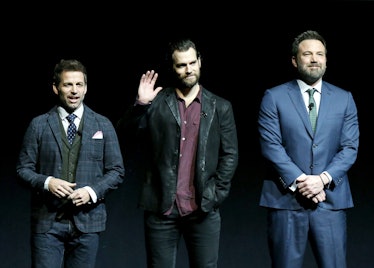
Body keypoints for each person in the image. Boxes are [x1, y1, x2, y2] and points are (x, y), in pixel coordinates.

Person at [117, 38, 239, 268]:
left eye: (192, 62)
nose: (188, 69)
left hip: (202, 209)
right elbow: (125, 136)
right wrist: (140, 105)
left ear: (200, 62)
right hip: (162, 207)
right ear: (173, 68)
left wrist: (216, 194)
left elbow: (230, 154)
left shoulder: (220, 106)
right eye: (182, 65)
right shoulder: (157, 102)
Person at [257, 30, 359, 268]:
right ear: (295, 60)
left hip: (330, 202)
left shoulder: (345, 99)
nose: (314, 59)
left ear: (326, 59)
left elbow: (349, 147)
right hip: (286, 202)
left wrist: (322, 179)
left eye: (320, 54)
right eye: (307, 54)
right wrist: (304, 181)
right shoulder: (274, 96)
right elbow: (271, 146)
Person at [16, 59, 125, 268]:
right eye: (68, 85)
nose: (74, 91)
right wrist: (48, 182)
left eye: (79, 85)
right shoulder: (39, 125)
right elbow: (22, 169)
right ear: (56, 88)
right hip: (47, 223)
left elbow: (117, 171)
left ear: (86, 88)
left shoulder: (102, 124)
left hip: (87, 222)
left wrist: (91, 192)